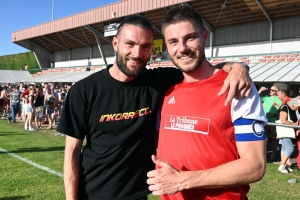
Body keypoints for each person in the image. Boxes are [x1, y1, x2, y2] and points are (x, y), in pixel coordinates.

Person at [57, 14, 252, 200]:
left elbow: (204, 69)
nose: (137, 54)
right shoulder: (84, 91)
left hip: (138, 194)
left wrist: (238, 67)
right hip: (92, 194)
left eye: (145, 46)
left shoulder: (159, 81)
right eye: (130, 44)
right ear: (115, 44)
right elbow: (72, 153)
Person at [146, 5, 267, 199]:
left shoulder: (236, 86)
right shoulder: (166, 90)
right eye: (173, 41)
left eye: (190, 38)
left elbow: (255, 165)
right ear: (167, 47)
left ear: (204, 37)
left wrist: (182, 180)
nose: (182, 48)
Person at [275, 89, 298, 173]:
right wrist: (295, 125)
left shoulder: (287, 104)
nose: (277, 96)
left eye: (278, 95)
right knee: (290, 148)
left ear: (283, 95)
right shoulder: (284, 106)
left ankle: (284, 165)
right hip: (285, 130)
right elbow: (283, 120)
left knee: (284, 148)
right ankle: (282, 166)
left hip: (286, 130)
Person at [258, 85, 282, 160]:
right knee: (266, 138)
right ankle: (265, 153)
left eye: (272, 90)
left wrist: (274, 114)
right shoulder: (266, 98)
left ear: (276, 92)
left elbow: (282, 111)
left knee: (274, 139)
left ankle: (273, 153)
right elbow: (255, 97)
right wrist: (261, 90)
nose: (270, 91)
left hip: (274, 122)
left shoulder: (279, 100)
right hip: (266, 121)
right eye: (270, 89)